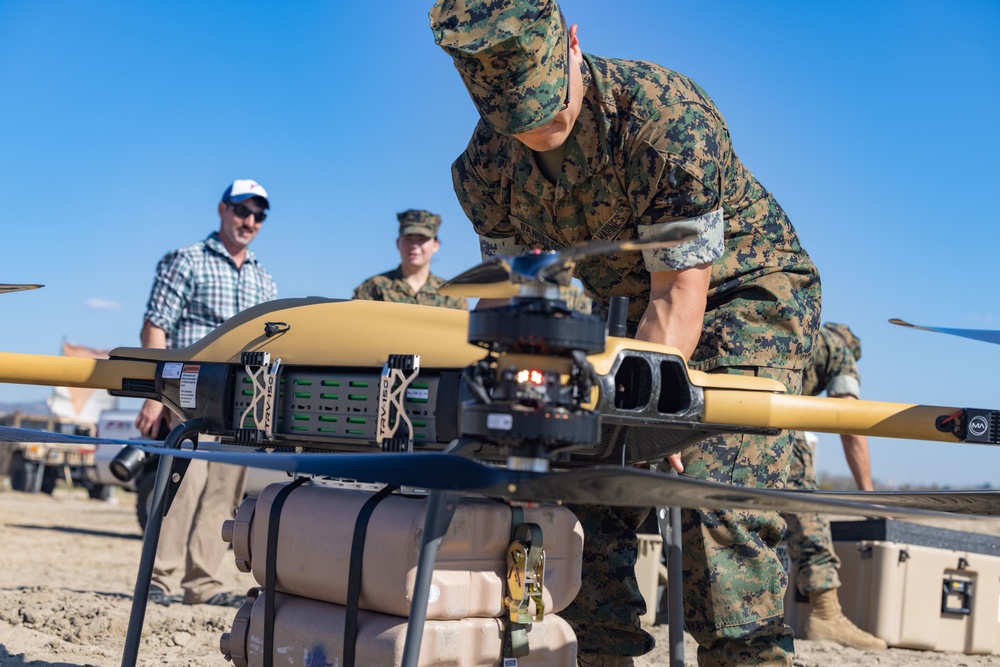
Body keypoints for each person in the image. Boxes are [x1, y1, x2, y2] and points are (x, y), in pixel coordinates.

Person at [429, 2, 822, 665]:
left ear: (573, 43)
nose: (540, 131)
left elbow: (679, 293)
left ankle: (748, 653)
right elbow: (531, 304)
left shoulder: (664, 120)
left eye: (549, 107)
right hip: (622, 313)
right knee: (575, 489)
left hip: (742, 296)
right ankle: (594, 651)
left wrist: (653, 417)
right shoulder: (483, 173)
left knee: (711, 489)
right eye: (519, 123)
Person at [135, 178, 278, 607]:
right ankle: (159, 579)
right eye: (241, 210)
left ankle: (203, 584)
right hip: (190, 390)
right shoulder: (187, 260)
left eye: (257, 215)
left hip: (242, 399)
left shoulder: (264, 279)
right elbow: (155, 326)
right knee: (184, 483)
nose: (249, 221)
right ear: (222, 209)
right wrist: (155, 394)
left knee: (225, 493)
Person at [783, 323, 887, 650]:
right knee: (803, 501)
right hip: (774, 409)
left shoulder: (805, 332)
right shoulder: (838, 348)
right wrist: (867, 494)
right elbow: (850, 421)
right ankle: (825, 612)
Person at [352, 209, 468, 309]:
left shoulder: (451, 295)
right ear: (398, 243)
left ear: (436, 245)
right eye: (408, 239)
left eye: (422, 239)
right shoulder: (374, 288)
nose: (414, 245)